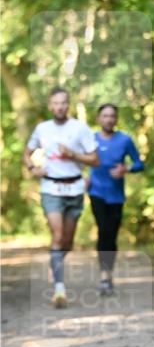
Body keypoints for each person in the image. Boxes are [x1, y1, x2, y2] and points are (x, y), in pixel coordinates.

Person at [23, 87, 99, 308]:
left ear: (69, 104)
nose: (60, 106)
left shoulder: (80, 128)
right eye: (55, 103)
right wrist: (32, 168)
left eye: (64, 102)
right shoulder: (42, 129)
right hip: (50, 188)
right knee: (57, 236)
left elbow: (95, 160)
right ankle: (59, 290)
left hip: (74, 188)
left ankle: (55, 262)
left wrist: (73, 155)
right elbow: (26, 153)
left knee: (67, 242)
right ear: (50, 105)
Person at [88, 103, 145, 295]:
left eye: (112, 116)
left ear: (116, 119)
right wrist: (83, 177)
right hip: (96, 192)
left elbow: (139, 163)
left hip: (116, 196)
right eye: (105, 116)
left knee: (111, 235)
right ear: (98, 119)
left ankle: (108, 273)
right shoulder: (90, 139)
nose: (108, 119)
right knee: (103, 230)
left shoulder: (124, 140)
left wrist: (125, 169)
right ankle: (104, 276)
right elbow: (78, 159)